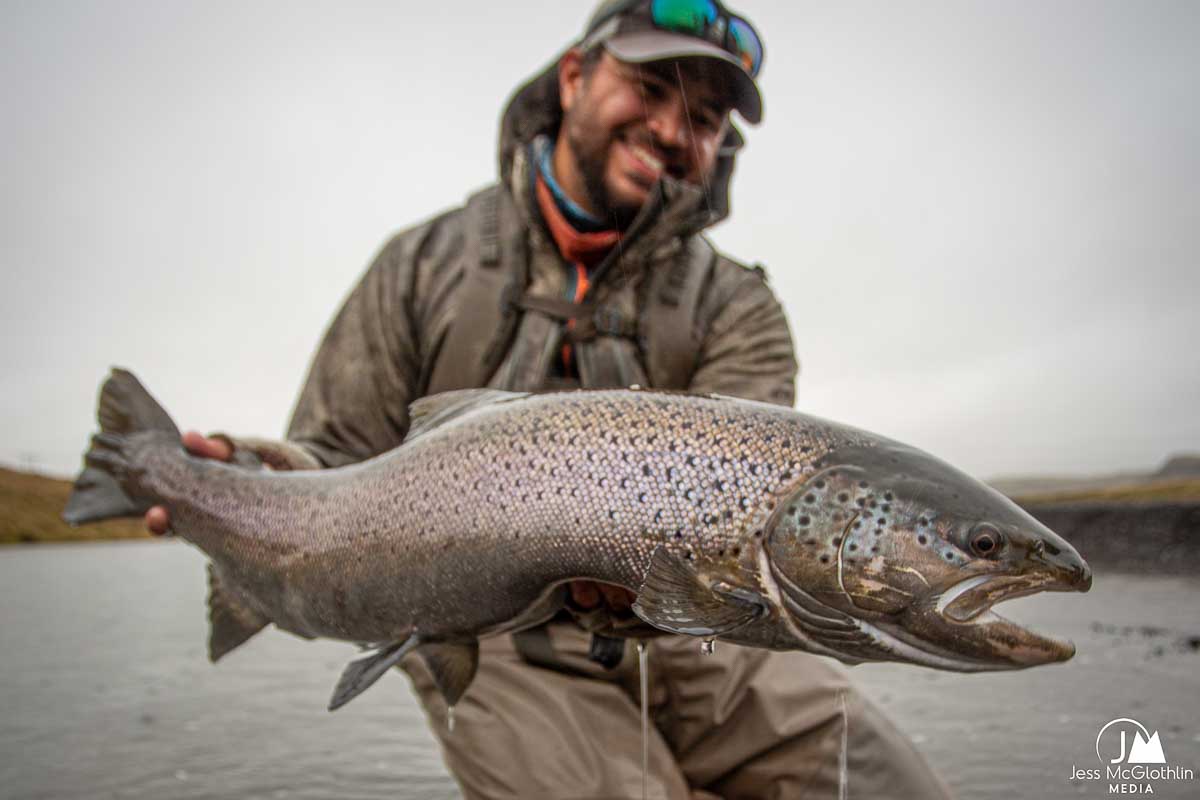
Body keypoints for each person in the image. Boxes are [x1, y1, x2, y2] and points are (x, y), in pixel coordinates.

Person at [148, 1, 955, 797]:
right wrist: (250, 473)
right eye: (651, 88)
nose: (676, 131)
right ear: (574, 76)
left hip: (710, 634)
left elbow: (757, 527)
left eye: (706, 118)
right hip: (489, 639)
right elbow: (332, 462)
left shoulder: (737, 307)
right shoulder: (422, 266)